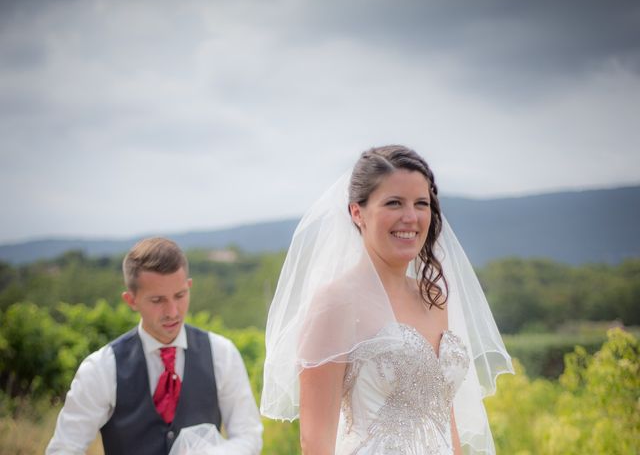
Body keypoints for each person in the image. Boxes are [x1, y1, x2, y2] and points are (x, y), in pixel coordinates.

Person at [261, 145, 513, 454]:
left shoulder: (434, 298)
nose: (410, 217)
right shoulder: (336, 302)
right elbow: (314, 442)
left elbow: (445, 418)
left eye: (421, 204)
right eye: (394, 203)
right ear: (357, 212)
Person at [47, 237, 263, 455]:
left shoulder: (222, 353)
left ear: (189, 286)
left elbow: (249, 436)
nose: (172, 311)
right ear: (131, 300)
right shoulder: (101, 368)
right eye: (158, 300)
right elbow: (64, 448)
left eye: (179, 295)